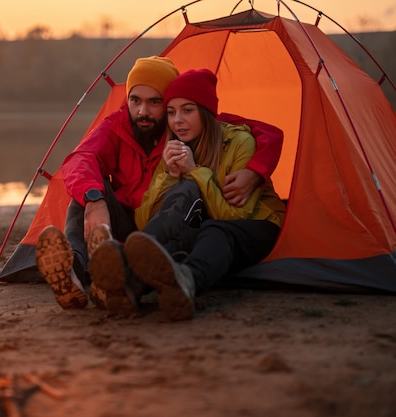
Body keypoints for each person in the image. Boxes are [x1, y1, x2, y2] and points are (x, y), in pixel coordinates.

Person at [35, 57, 284, 310]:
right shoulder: (122, 128)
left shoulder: (188, 132)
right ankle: (75, 270)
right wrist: (94, 199)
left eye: (154, 102)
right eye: (135, 100)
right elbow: (80, 160)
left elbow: (267, 132)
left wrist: (256, 170)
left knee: (191, 201)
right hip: (137, 223)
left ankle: (122, 276)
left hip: (171, 223)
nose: (143, 111)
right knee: (88, 191)